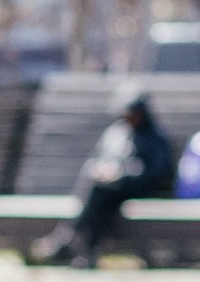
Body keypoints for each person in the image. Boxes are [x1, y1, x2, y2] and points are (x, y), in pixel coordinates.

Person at [59, 93, 175, 266]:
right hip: (110, 190)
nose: (129, 118)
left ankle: (69, 240)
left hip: (138, 188)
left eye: (133, 114)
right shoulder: (116, 132)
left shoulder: (154, 137)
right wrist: (102, 170)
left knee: (98, 194)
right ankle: (83, 252)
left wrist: (121, 175)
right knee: (98, 196)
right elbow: (98, 157)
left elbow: (156, 171)